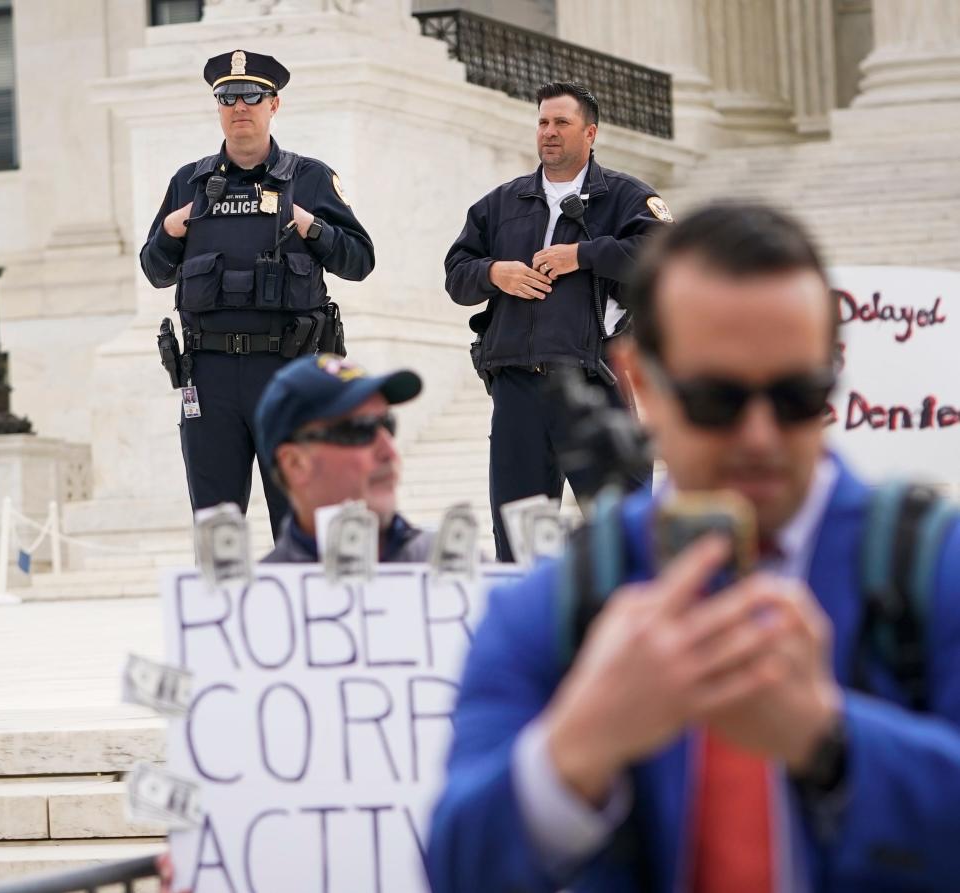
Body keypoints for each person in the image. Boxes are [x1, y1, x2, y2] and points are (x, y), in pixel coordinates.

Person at [427, 203, 960, 891]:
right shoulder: (561, 598)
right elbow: (458, 865)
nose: (761, 436)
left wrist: (832, 743)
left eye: (799, 395)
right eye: (718, 398)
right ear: (641, 381)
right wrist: (578, 746)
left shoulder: (933, 568)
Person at [140, 50, 374, 539]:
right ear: (217, 107)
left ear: (275, 104)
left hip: (287, 372)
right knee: (217, 527)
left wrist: (313, 228)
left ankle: (304, 616)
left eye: (252, 95)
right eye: (227, 96)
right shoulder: (190, 181)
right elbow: (155, 270)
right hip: (208, 375)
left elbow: (359, 261)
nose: (239, 105)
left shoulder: (309, 178)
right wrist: (168, 229)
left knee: (300, 524)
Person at [444, 82, 667, 561]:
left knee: (625, 538)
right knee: (520, 543)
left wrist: (583, 255)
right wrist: (493, 272)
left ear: (590, 133)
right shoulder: (500, 204)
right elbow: (456, 276)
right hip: (517, 391)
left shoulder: (626, 197)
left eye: (561, 123)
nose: (549, 132)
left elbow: (664, 257)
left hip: (594, 383)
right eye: (543, 122)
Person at [253, 353, 434, 562]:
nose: (389, 452)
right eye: (360, 429)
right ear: (295, 463)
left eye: (387, 424)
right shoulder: (255, 593)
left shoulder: (464, 576)